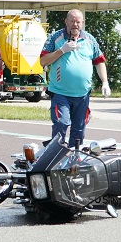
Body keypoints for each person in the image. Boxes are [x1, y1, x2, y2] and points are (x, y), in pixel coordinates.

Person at [40, 9, 110, 148]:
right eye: (72, 21)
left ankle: (74, 162)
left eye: (78, 22)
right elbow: (43, 61)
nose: (75, 25)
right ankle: (55, 156)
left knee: (79, 129)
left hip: (82, 94)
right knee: (61, 123)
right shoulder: (55, 38)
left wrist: (105, 82)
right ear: (66, 21)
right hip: (60, 93)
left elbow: (99, 61)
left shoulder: (90, 39)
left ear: (82, 23)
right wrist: (62, 50)